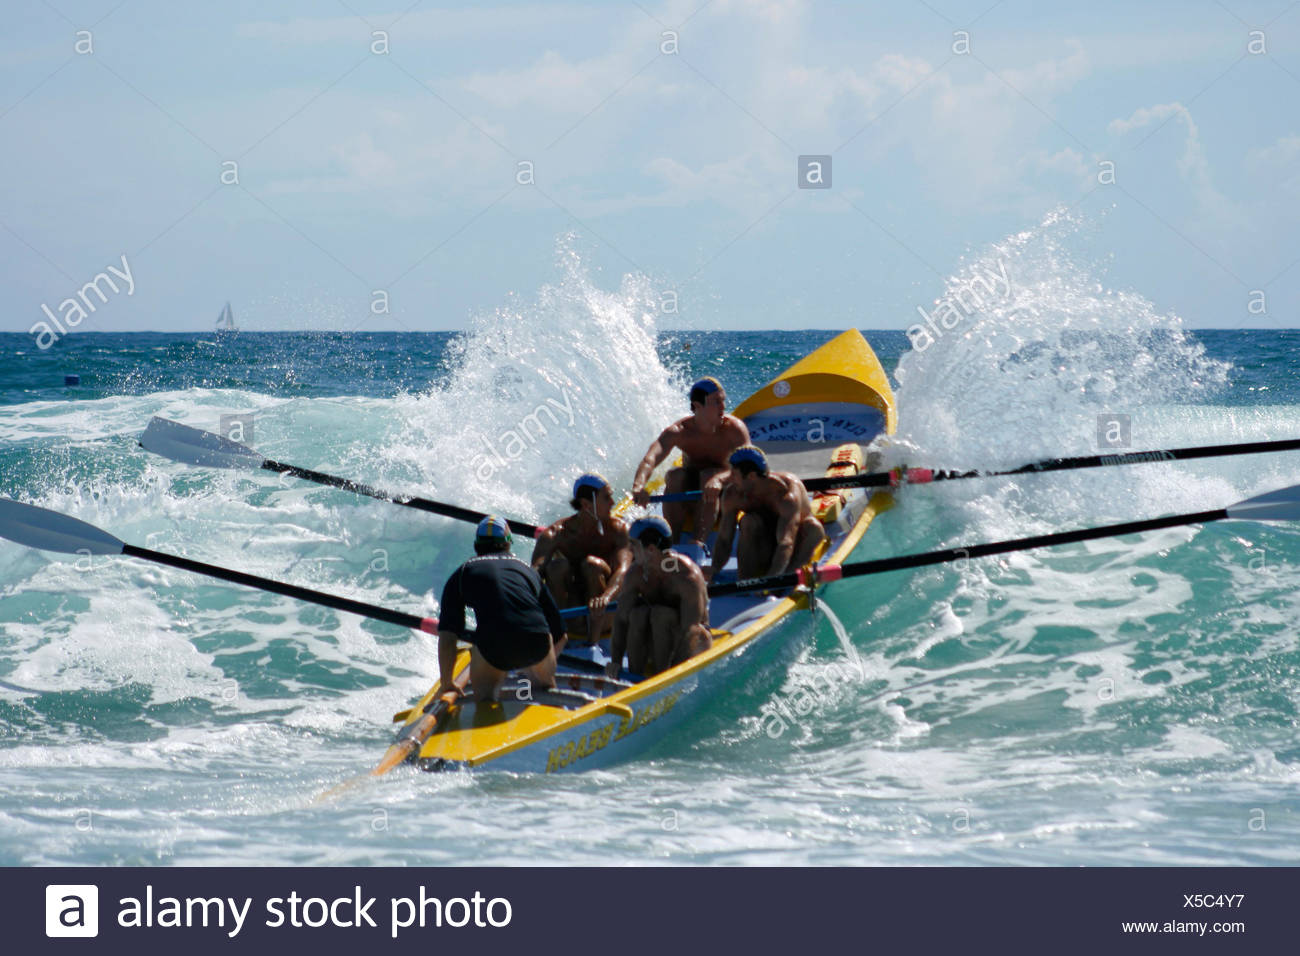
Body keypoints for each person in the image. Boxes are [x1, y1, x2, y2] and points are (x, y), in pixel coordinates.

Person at [437, 515, 564, 703]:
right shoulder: (528, 571)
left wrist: (447, 683)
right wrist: (531, 663)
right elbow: (560, 633)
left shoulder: (461, 574)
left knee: (485, 696)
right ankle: (545, 689)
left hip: (494, 646)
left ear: (476, 546)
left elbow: (448, 638)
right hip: (537, 642)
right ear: (508, 545)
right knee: (543, 677)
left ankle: (486, 704)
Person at [630, 377, 750, 544]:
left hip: (724, 494)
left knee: (709, 475)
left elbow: (748, 466)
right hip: (693, 495)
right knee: (674, 476)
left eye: (723, 400)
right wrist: (638, 486)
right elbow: (650, 459)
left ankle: (698, 542)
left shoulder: (734, 429)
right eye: (716, 402)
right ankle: (673, 541)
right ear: (697, 406)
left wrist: (719, 479)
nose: (723, 407)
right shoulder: (679, 431)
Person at [531, 473, 631, 647]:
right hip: (572, 611)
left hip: (605, 613)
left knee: (593, 565)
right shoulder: (555, 534)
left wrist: (606, 597)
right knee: (556, 567)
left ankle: (593, 640)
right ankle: (560, 634)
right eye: (607, 498)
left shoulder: (619, 530)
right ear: (586, 504)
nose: (613, 503)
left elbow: (624, 570)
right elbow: (534, 573)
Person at [607, 515, 712, 679]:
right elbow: (621, 619)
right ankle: (634, 679)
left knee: (661, 615)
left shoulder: (686, 576)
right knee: (637, 615)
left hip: (693, 640)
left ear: (651, 549)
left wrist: (673, 677)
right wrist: (616, 662)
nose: (630, 550)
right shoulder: (636, 573)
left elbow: (691, 630)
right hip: (660, 640)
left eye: (633, 545)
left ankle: (662, 675)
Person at [707, 445, 826, 581]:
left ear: (752, 476)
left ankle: (787, 578)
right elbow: (724, 539)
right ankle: (745, 582)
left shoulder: (786, 494)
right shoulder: (733, 494)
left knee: (813, 528)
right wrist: (714, 569)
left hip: (794, 544)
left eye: (734, 474)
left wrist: (771, 581)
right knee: (748, 521)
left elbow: (786, 543)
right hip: (766, 545)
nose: (730, 479)